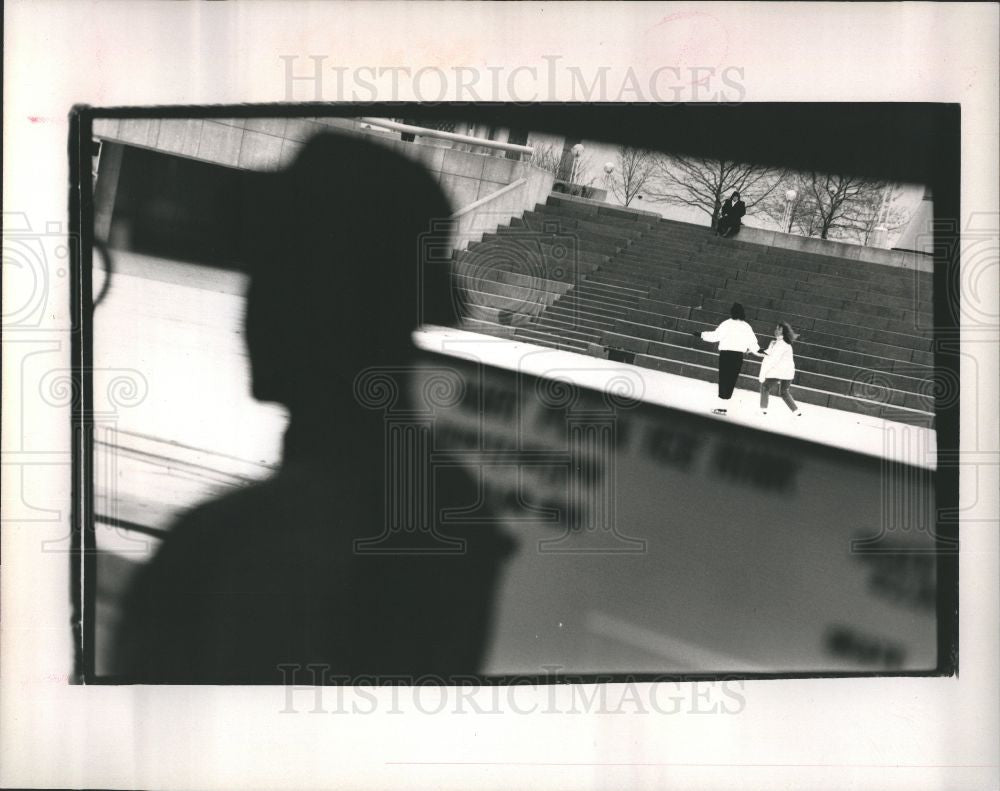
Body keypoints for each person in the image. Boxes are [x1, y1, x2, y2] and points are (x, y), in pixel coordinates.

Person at [113, 133, 517, 683]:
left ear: (319, 301)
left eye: (274, 274)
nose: (251, 303)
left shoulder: (225, 549)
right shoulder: (455, 513)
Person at [692, 302, 761, 415]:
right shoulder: (746, 326)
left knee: (723, 379)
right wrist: (761, 352)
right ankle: (725, 407)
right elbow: (753, 344)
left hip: (725, 355)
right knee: (731, 381)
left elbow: (715, 336)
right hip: (738, 356)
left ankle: (721, 406)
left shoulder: (726, 323)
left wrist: (701, 335)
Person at [758, 321, 803, 416]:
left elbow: (773, 358)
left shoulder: (781, 344)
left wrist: (765, 371)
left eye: (779, 329)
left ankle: (763, 409)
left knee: (765, 386)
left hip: (780, 371)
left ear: (783, 332)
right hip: (788, 372)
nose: (776, 331)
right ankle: (796, 411)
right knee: (784, 392)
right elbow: (769, 352)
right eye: (776, 328)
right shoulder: (780, 343)